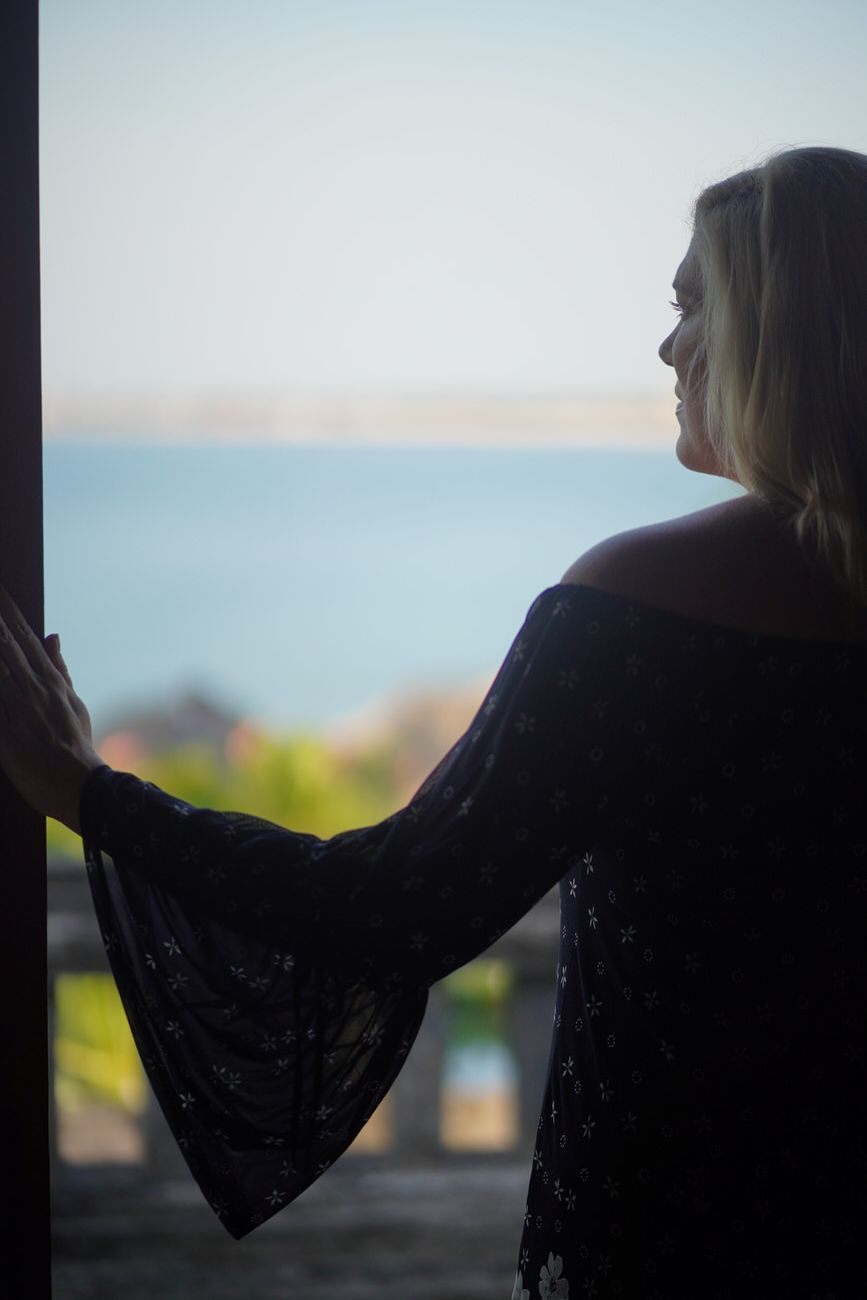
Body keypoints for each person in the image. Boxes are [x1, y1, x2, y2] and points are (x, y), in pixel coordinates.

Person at [1, 144, 866, 1299]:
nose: (667, 348)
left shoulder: (639, 609)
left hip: (677, 1229)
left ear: (784, 335)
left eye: (693, 306)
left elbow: (393, 909)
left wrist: (85, 790)